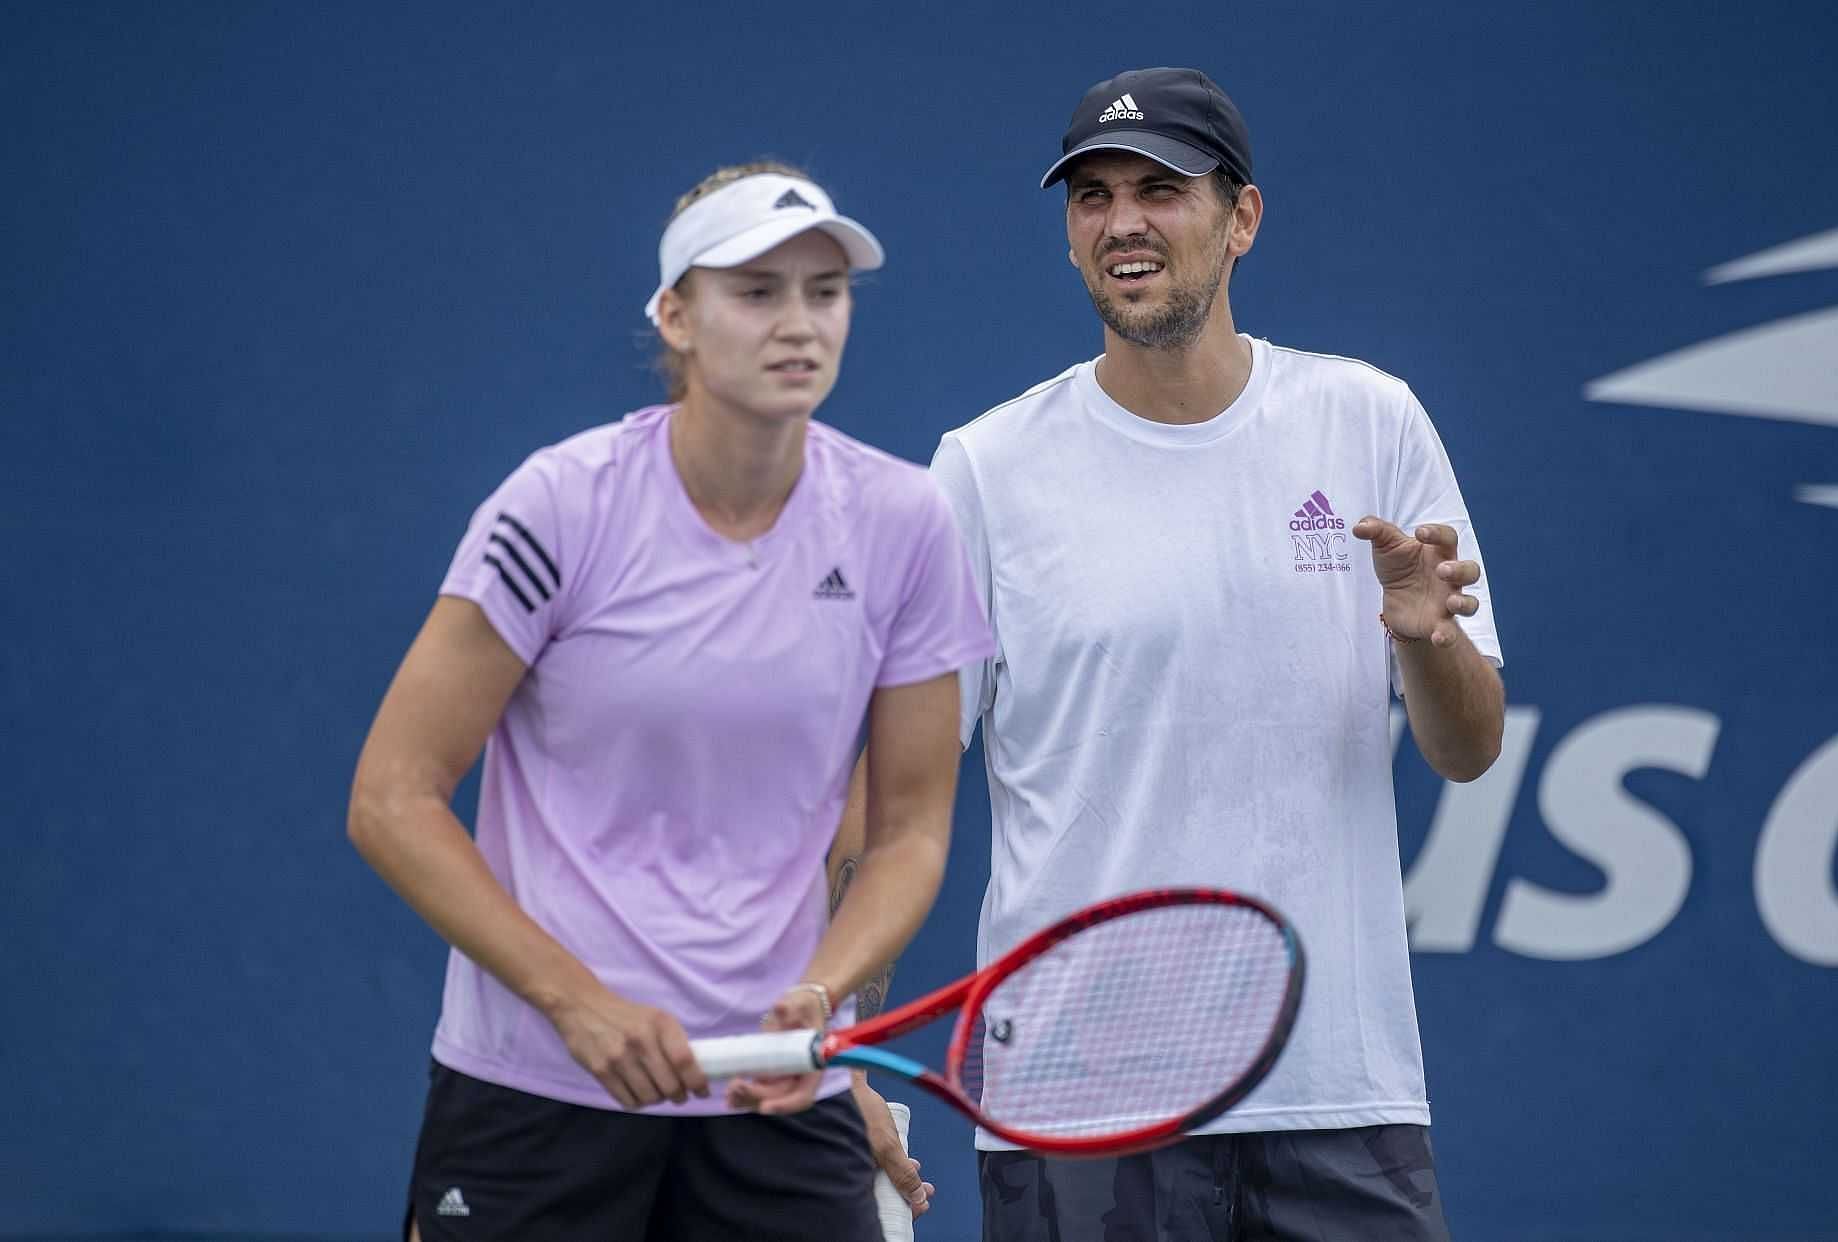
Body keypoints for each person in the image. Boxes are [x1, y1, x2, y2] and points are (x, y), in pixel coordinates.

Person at [347, 160, 991, 1241]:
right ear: (677, 317)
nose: (799, 323)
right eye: (757, 291)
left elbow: (911, 830)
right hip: (536, 1092)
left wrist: (824, 996)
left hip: (778, 1093)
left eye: (824, 292)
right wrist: (575, 1002)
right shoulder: (559, 507)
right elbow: (392, 799)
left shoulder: (906, 523)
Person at [931, 68, 1505, 1239]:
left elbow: (1467, 748)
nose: (1123, 222)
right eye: (1091, 197)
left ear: (1242, 219)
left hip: (1340, 1094)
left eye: (1160, 189)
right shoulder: (984, 470)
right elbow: (895, 794)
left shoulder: (1371, 422)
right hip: (1078, 1112)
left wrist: (1429, 642)